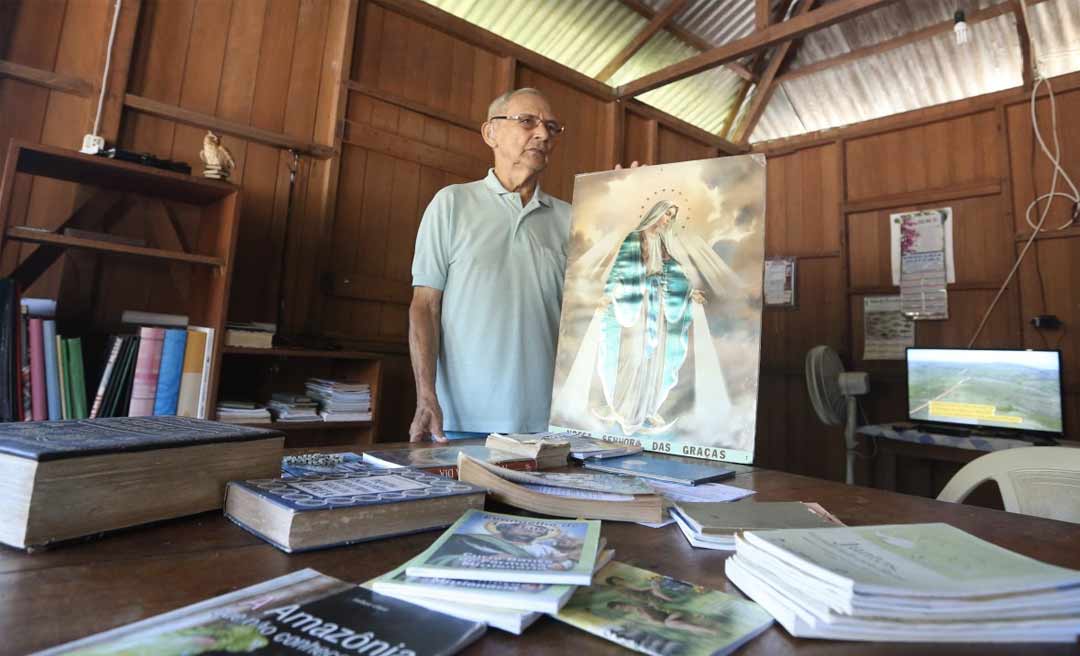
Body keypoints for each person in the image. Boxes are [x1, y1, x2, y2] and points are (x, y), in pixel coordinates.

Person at [409, 87, 637, 442]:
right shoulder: (452, 203)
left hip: (549, 422)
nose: (543, 134)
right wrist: (426, 395)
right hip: (461, 418)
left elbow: (604, 306)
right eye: (528, 121)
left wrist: (629, 209)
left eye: (552, 127)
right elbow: (425, 306)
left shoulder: (572, 220)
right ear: (491, 133)